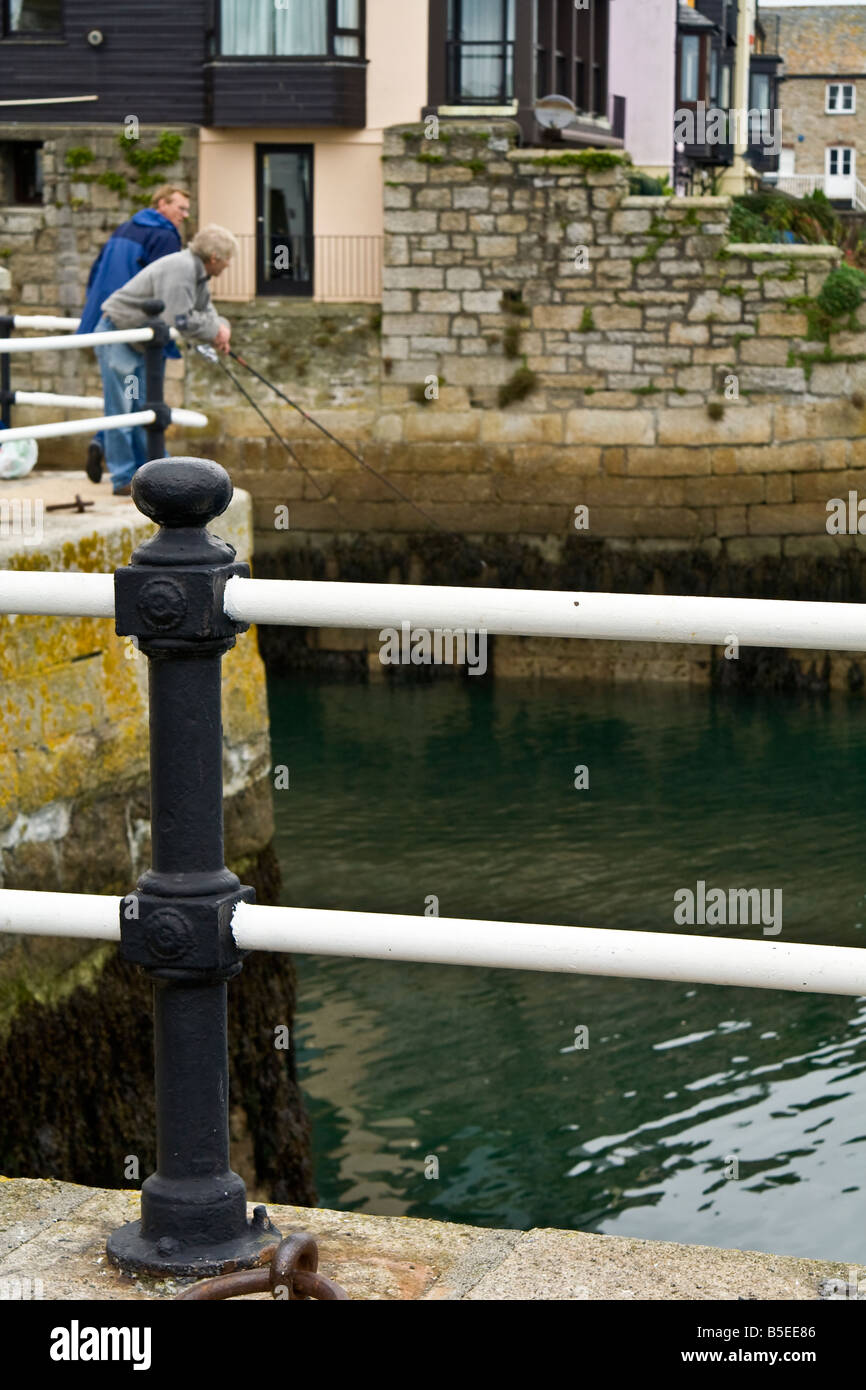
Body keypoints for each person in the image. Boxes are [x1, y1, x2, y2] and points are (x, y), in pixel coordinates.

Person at [95, 225, 238, 495]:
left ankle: (147, 473)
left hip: (139, 344)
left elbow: (206, 312)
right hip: (119, 337)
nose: (229, 265)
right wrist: (214, 329)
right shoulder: (182, 270)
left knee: (142, 407)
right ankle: (123, 478)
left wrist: (221, 328)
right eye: (228, 259)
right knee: (122, 408)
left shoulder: (199, 274)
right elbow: (179, 319)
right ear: (215, 257)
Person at [79, 185, 191, 483]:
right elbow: (166, 286)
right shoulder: (166, 236)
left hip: (107, 322)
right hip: (140, 328)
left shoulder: (124, 228)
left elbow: (96, 273)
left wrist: (97, 314)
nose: (184, 215)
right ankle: (137, 475)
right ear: (162, 205)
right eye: (180, 208)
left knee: (122, 403)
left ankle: (110, 450)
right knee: (145, 401)